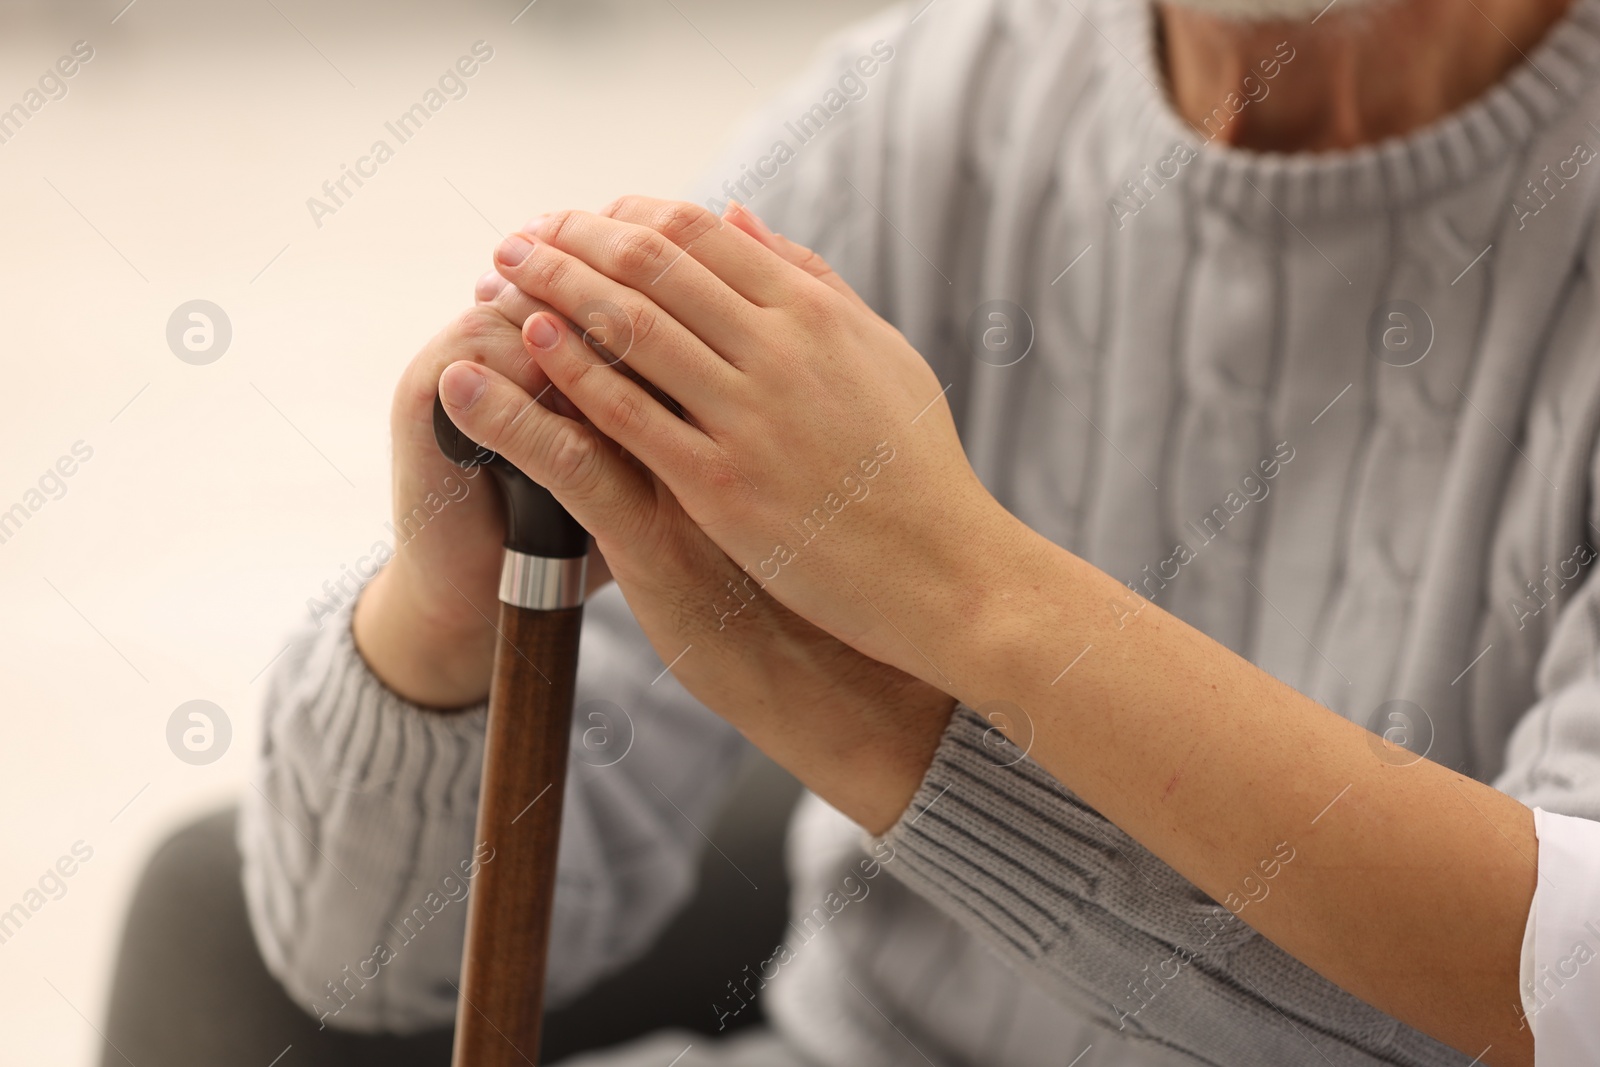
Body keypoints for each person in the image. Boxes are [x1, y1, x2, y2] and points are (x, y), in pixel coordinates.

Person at [243, 0, 1600, 1063]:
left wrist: (934, 645)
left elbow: (1568, 996)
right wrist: (443, 619)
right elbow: (360, 960)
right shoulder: (915, 115)